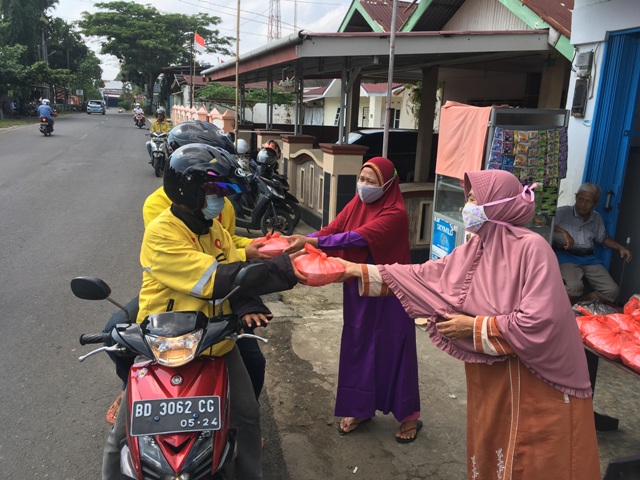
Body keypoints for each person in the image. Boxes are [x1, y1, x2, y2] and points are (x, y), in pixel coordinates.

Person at [336, 169, 600, 479]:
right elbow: (426, 276)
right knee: (491, 446)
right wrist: (355, 270)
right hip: (489, 376)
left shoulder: (532, 249)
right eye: (470, 199)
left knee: (531, 457)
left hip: (534, 380)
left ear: (498, 204)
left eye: (475, 199)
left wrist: (472, 328)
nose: (468, 206)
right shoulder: (476, 248)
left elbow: (539, 322)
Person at [102, 143, 304, 479]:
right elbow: (213, 277)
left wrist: (257, 249)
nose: (220, 199)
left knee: (248, 415)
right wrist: (283, 268)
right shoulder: (161, 233)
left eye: (222, 191)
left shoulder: (206, 226)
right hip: (162, 343)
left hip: (211, 340)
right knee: (125, 432)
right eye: (213, 190)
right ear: (189, 190)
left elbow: (230, 246)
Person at [285, 156, 421, 443]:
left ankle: (408, 414)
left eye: (371, 182)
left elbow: (355, 238)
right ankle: (360, 408)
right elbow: (334, 228)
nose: (364, 186)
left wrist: (313, 243)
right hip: (358, 284)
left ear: (387, 184)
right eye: (362, 179)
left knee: (393, 345)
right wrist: (304, 241)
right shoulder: (358, 203)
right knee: (359, 343)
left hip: (390, 288)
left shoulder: (395, 213)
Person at [553, 182, 633, 304]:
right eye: (580, 199)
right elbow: (545, 223)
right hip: (566, 256)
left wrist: (620, 247)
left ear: (595, 203)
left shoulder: (596, 218)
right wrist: (563, 232)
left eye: (588, 201)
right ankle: (558, 308)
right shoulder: (562, 212)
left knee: (612, 291)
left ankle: (576, 304)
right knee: (574, 288)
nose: (583, 204)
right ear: (576, 197)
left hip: (588, 259)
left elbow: (602, 238)